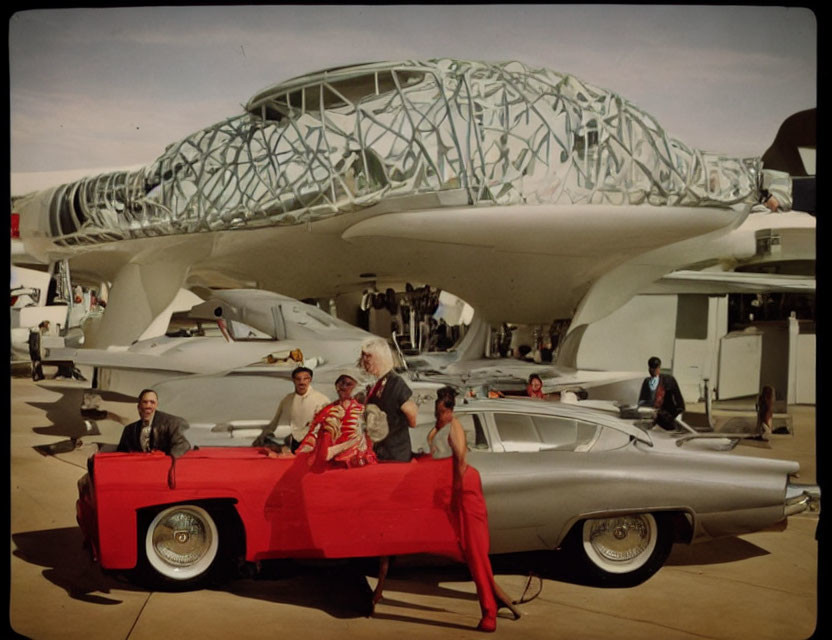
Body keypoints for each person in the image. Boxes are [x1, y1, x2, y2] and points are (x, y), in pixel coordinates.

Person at [427, 387, 521, 632]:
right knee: (466, 552)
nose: (441, 415)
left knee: (476, 553)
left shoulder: (454, 426)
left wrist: (455, 497)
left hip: (464, 490)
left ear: (451, 409)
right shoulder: (439, 426)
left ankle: (489, 611)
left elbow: (460, 461)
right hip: (448, 491)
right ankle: (497, 598)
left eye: (444, 411)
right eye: (438, 411)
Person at [296, 372, 377, 470]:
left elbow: (371, 437)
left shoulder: (362, 410)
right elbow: (314, 433)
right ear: (336, 386)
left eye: (348, 384)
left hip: (356, 458)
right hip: (329, 459)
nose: (343, 387)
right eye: (341, 383)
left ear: (356, 388)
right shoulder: (327, 410)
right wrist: (306, 448)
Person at [358, 337, 419, 462]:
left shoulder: (395, 382)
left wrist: (397, 426)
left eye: (368, 356)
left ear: (380, 358)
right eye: (363, 356)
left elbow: (411, 412)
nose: (364, 360)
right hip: (379, 451)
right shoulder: (376, 383)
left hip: (395, 452)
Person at [253, 366, 329, 452]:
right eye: (298, 379)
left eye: (305, 379)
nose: (302, 382)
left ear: (310, 380)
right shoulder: (287, 400)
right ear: (293, 380)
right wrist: (262, 436)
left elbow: (325, 426)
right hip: (292, 442)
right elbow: (275, 422)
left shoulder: (321, 399)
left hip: (313, 443)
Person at [117, 389, 191, 457]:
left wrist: (165, 459)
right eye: (145, 402)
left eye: (152, 402)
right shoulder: (129, 430)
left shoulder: (171, 423)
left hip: (161, 468)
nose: (148, 406)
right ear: (139, 406)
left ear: (156, 405)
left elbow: (183, 445)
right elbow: (120, 454)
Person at [637, 356, 685, 430]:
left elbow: (679, 402)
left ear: (659, 368)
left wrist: (675, 417)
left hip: (667, 419)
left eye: (655, 368)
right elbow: (642, 400)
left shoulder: (669, 380)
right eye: (651, 368)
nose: (652, 370)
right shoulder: (647, 381)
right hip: (652, 418)